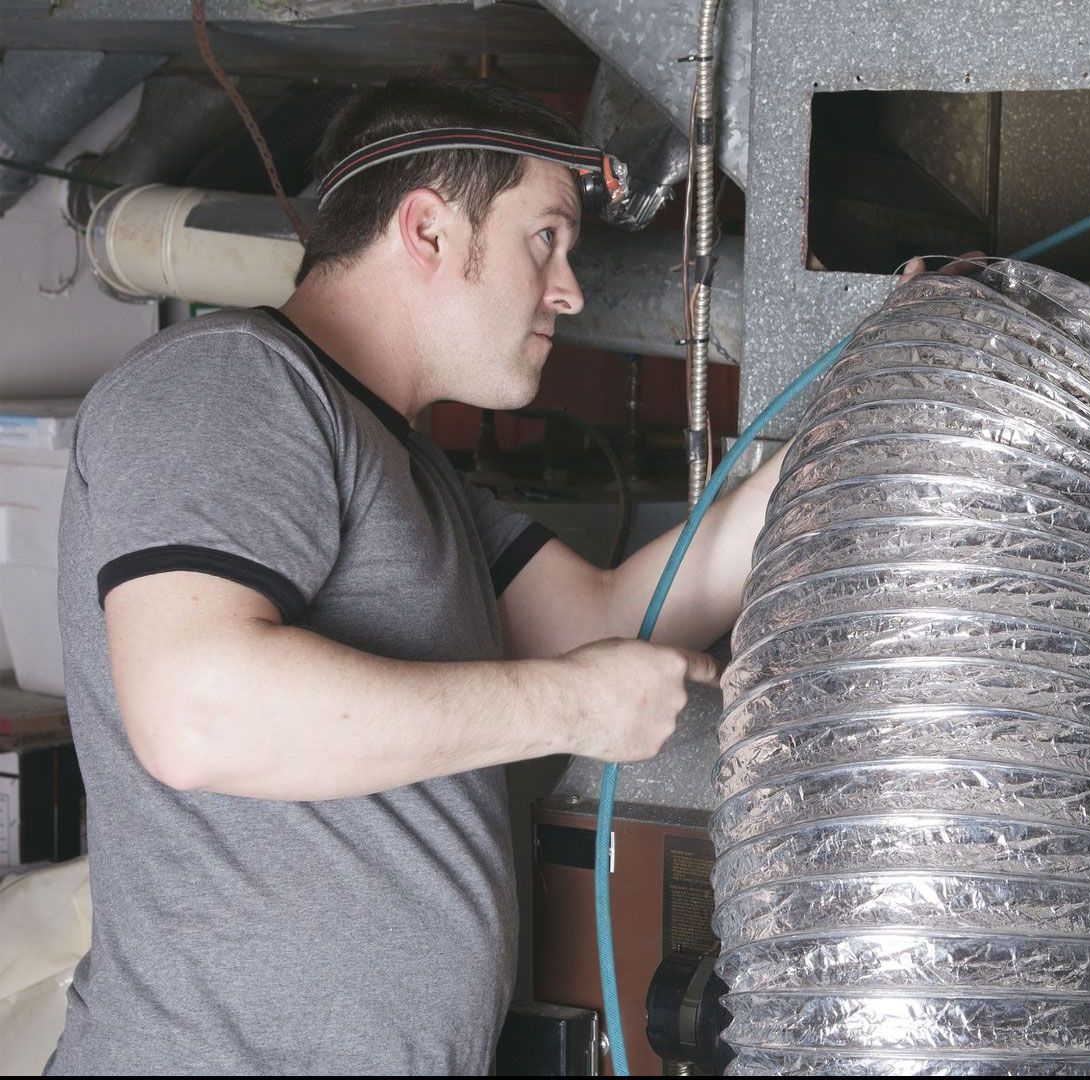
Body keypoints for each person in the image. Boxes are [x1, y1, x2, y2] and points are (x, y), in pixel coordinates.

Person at [46, 74, 782, 1073]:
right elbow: (196, 713)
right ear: (429, 230)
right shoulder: (231, 380)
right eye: (546, 239)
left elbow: (616, 620)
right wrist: (569, 707)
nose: (568, 289)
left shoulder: (413, 472)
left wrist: (846, 428)